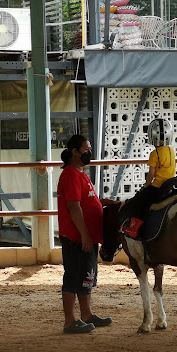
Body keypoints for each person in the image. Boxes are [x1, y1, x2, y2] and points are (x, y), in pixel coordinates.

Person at [57, 134, 118, 334]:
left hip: (86, 236)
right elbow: (74, 207)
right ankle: (69, 321)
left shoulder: (79, 173)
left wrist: (101, 202)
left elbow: (84, 201)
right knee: (73, 277)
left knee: (86, 277)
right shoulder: (71, 174)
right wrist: (84, 235)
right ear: (75, 152)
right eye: (86, 149)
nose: (89, 153)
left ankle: (86, 314)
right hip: (76, 237)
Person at [120, 118, 176, 238]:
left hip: (158, 187)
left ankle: (134, 228)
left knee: (139, 202)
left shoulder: (154, 154)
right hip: (171, 185)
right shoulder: (171, 151)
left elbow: (151, 174)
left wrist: (145, 187)